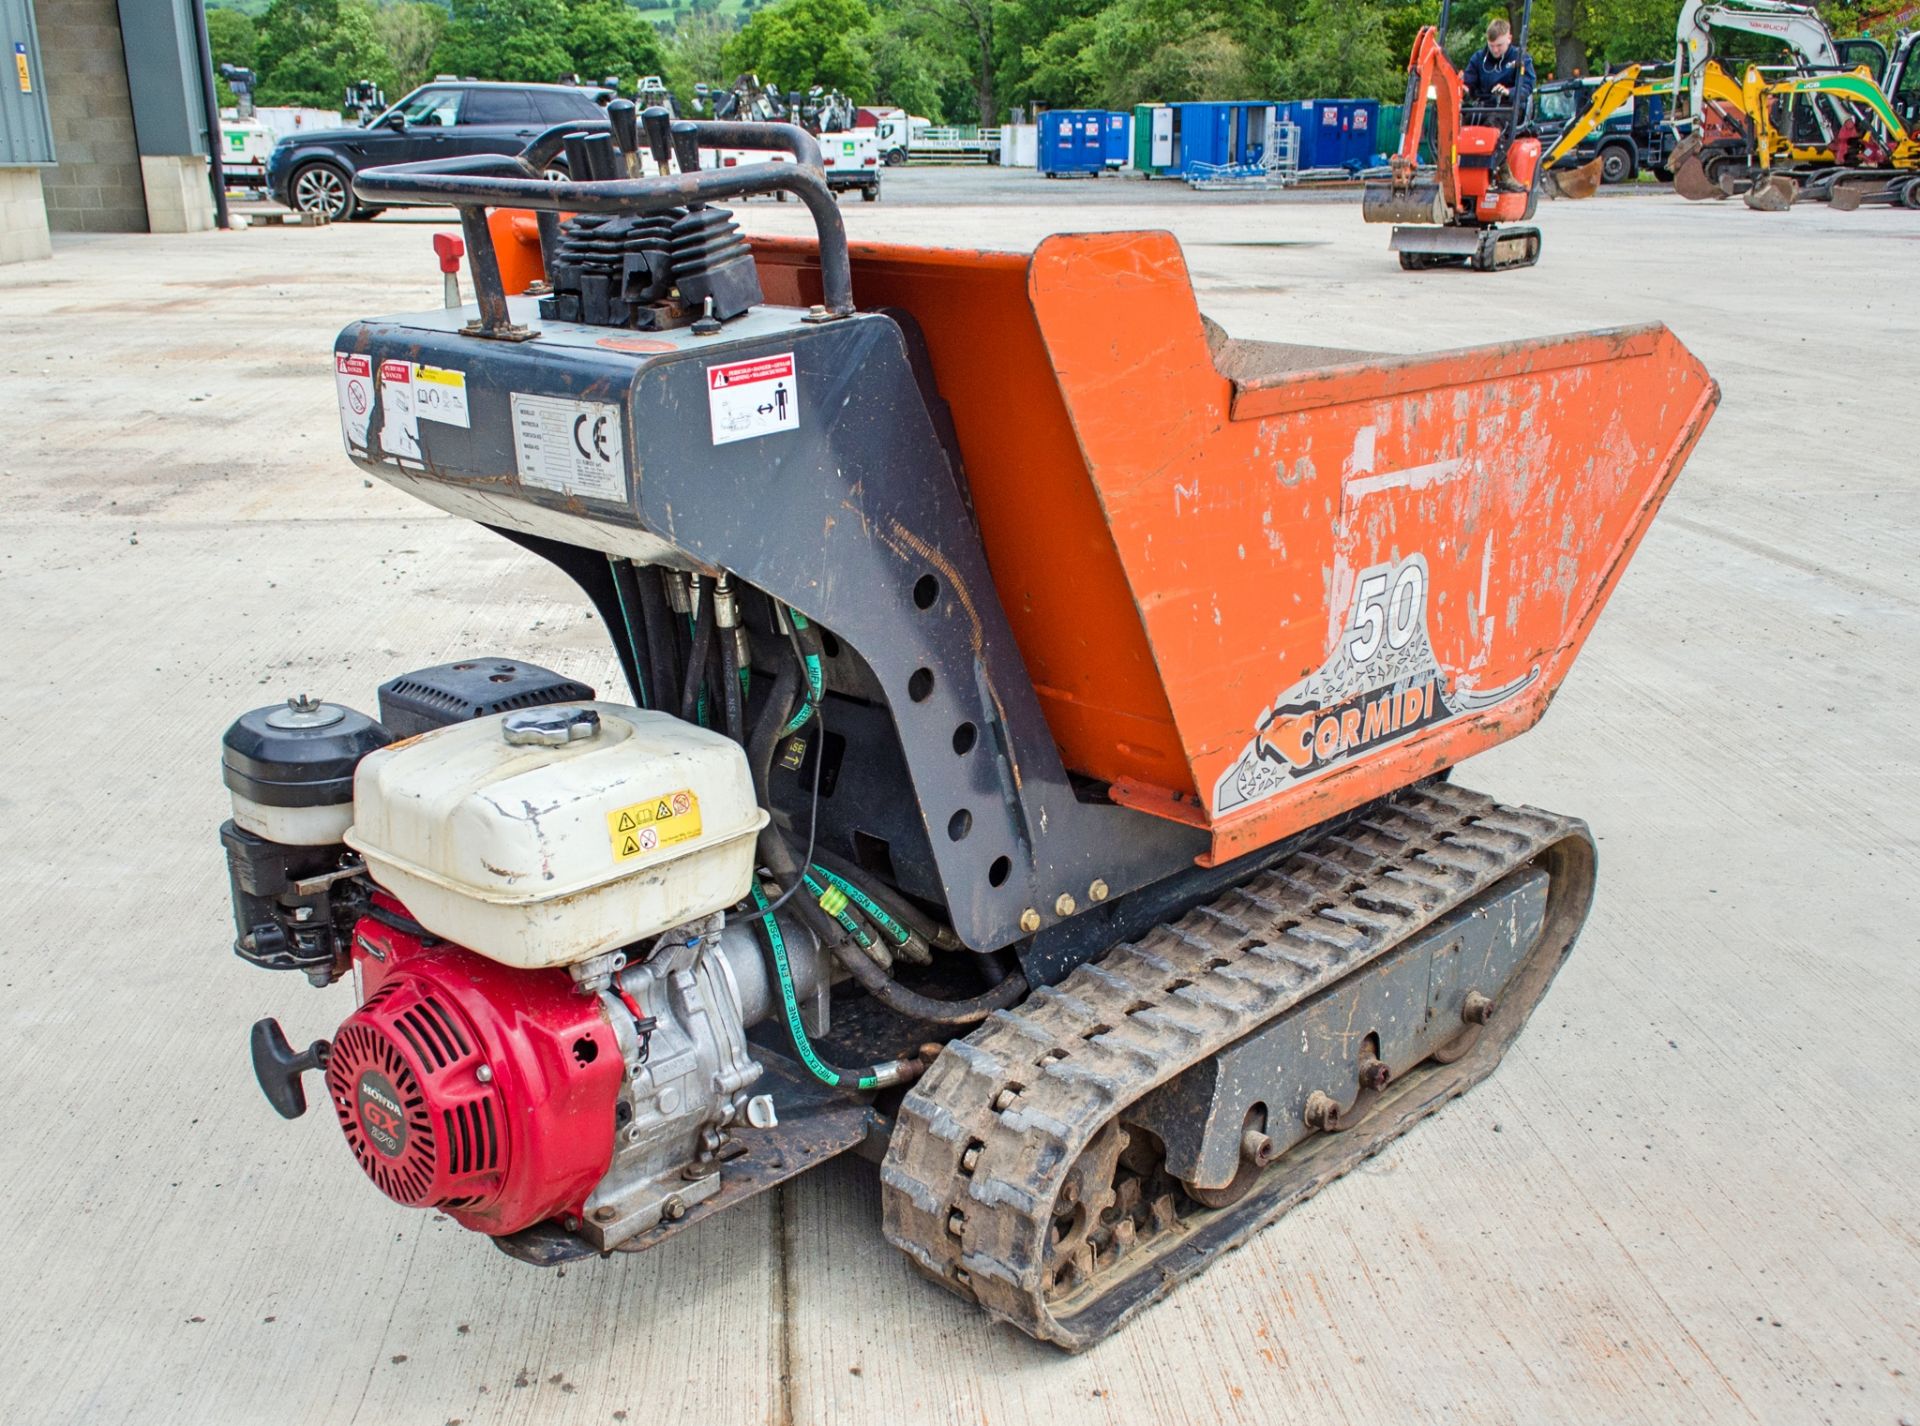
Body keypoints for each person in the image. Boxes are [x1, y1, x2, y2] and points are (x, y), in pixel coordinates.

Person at [1462, 18, 1536, 190]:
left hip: (1509, 107)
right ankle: (1456, 167)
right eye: (1492, 45)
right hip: (1484, 105)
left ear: (1509, 38)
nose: (1495, 50)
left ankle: (1502, 172)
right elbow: (1469, 81)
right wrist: (1463, 88)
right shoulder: (1479, 59)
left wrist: (1508, 92)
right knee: (1457, 121)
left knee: (1492, 126)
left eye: (1499, 46)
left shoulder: (1520, 59)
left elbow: (1527, 86)